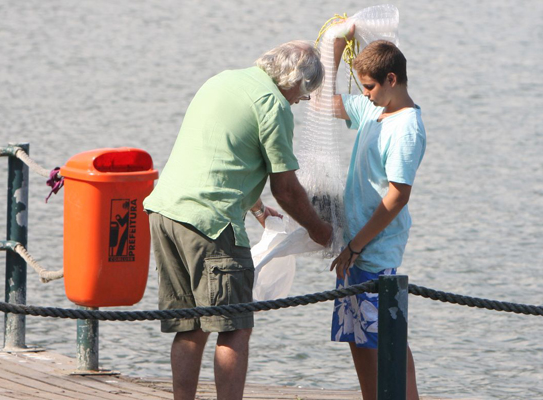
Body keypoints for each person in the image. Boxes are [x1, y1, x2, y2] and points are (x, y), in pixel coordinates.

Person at [143, 40, 333, 400]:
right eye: (304, 93)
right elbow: (288, 189)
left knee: (191, 326)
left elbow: (222, 154)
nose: (301, 100)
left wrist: (257, 209)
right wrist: (319, 230)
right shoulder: (273, 104)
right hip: (210, 226)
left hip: (166, 213)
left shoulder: (224, 81)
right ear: (294, 79)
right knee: (234, 327)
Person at [329, 26, 426, 400]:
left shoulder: (406, 128)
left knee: (387, 339)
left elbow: (397, 197)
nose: (364, 96)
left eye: (368, 87)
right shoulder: (374, 110)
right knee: (359, 337)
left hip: (374, 247)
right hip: (353, 246)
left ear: (391, 79)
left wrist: (355, 245)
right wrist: (336, 45)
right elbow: (321, 100)